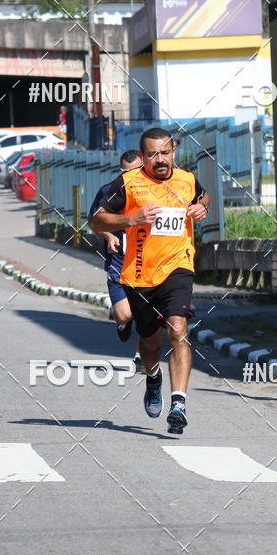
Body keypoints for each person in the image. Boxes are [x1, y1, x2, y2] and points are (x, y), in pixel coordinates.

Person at [89, 128, 210, 434]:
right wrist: (131, 219)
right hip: (140, 273)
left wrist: (202, 207)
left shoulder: (186, 179)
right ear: (142, 157)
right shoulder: (128, 184)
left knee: (179, 328)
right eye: (153, 154)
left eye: (165, 153)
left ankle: (179, 403)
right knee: (150, 341)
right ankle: (153, 376)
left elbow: (203, 194)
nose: (160, 160)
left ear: (173, 153)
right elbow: (96, 220)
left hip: (178, 266)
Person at [88, 150, 143, 362]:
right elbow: (94, 222)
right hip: (119, 261)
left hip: (144, 262)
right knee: (125, 314)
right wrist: (108, 235)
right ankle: (122, 323)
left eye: (136, 172)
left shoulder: (154, 192)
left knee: (144, 312)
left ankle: (140, 356)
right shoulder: (108, 192)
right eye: (125, 172)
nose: (131, 177)